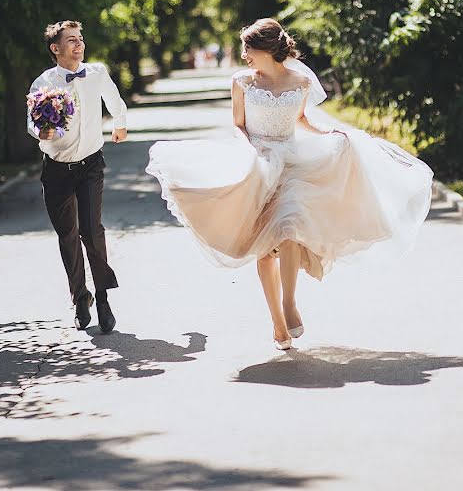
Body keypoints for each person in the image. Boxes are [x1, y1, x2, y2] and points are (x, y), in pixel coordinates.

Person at [146, 18, 433, 350]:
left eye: (248, 48)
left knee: (291, 225)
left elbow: (299, 120)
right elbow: (238, 125)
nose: (244, 55)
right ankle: (277, 324)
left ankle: (290, 302)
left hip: (292, 160)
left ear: (267, 49)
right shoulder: (240, 81)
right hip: (256, 160)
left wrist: (330, 135)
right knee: (264, 249)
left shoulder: (299, 82)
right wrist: (248, 150)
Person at [27, 20, 128, 333]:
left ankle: (103, 297)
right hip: (56, 169)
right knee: (68, 236)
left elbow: (113, 99)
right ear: (55, 48)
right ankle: (80, 297)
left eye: (80, 38)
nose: (78, 44)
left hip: (90, 166)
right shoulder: (43, 82)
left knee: (91, 229)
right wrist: (41, 131)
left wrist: (120, 122)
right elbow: (32, 124)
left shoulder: (96, 72)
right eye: (71, 40)